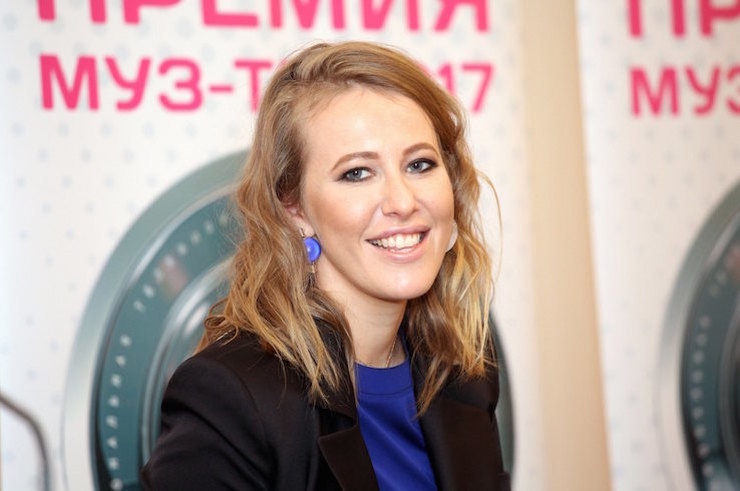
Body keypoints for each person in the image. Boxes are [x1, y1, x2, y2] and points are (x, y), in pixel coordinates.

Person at [141, 40, 510, 490]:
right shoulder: (231, 398)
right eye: (357, 173)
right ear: (294, 208)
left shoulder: (464, 372)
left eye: (419, 164)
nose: (402, 201)